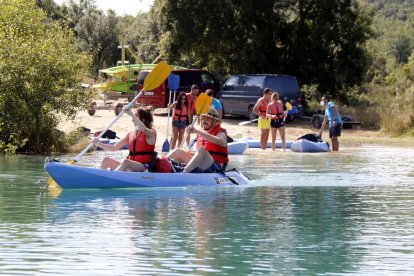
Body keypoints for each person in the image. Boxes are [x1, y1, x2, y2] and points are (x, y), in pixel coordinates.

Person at [92, 106, 157, 172]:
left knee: (126, 163)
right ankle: (101, 179)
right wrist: (98, 143)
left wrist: (131, 114)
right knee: (106, 160)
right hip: (130, 167)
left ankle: (113, 177)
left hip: (144, 167)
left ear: (142, 120)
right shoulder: (131, 133)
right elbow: (114, 148)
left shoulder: (151, 133)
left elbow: (144, 129)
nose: (132, 120)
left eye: (135, 117)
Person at [167, 107, 228, 173]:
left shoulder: (221, 133)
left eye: (207, 118)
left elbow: (221, 141)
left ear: (215, 121)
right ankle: (161, 164)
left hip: (215, 168)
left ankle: (184, 172)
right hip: (201, 165)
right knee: (178, 151)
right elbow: (199, 156)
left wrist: (196, 131)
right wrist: (187, 153)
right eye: (202, 119)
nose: (204, 121)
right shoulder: (202, 134)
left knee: (201, 150)